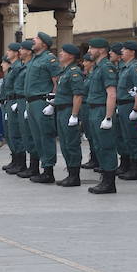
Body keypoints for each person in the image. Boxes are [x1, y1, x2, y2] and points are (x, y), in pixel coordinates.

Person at [22, 32, 60, 184]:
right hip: (32, 102)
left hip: (42, 101)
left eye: (36, 39)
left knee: (46, 136)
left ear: (44, 43)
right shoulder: (34, 60)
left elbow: (57, 81)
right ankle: (40, 167)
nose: (33, 40)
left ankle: (49, 171)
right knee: (36, 136)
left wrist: (52, 103)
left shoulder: (49, 59)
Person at [83, 37, 119, 194]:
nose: (89, 51)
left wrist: (108, 117)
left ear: (102, 50)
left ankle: (109, 182)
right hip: (93, 110)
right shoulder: (97, 67)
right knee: (98, 146)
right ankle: (105, 178)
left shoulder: (106, 67)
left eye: (92, 48)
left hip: (101, 110)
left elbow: (111, 94)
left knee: (106, 146)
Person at [51, 44, 85, 184]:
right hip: (61, 109)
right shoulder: (64, 71)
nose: (60, 54)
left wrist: (74, 115)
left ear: (71, 56)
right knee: (64, 143)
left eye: (63, 52)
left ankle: (75, 175)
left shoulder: (74, 72)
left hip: (69, 110)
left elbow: (78, 95)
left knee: (71, 143)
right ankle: (70, 172)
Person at [115, 42, 137, 181]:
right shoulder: (124, 68)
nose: (121, 51)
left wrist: (136, 109)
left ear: (132, 52)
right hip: (122, 105)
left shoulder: (135, 68)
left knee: (133, 138)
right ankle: (126, 164)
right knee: (124, 137)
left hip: (130, 105)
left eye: (125, 50)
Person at [0, 43, 30, 175]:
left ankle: (21, 162)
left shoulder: (18, 67)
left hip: (15, 100)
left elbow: (20, 86)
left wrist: (18, 102)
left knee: (16, 133)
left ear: (16, 53)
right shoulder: (14, 68)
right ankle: (16, 160)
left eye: (10, 50)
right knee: (11, 133)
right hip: (10, 101)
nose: (8, 52)